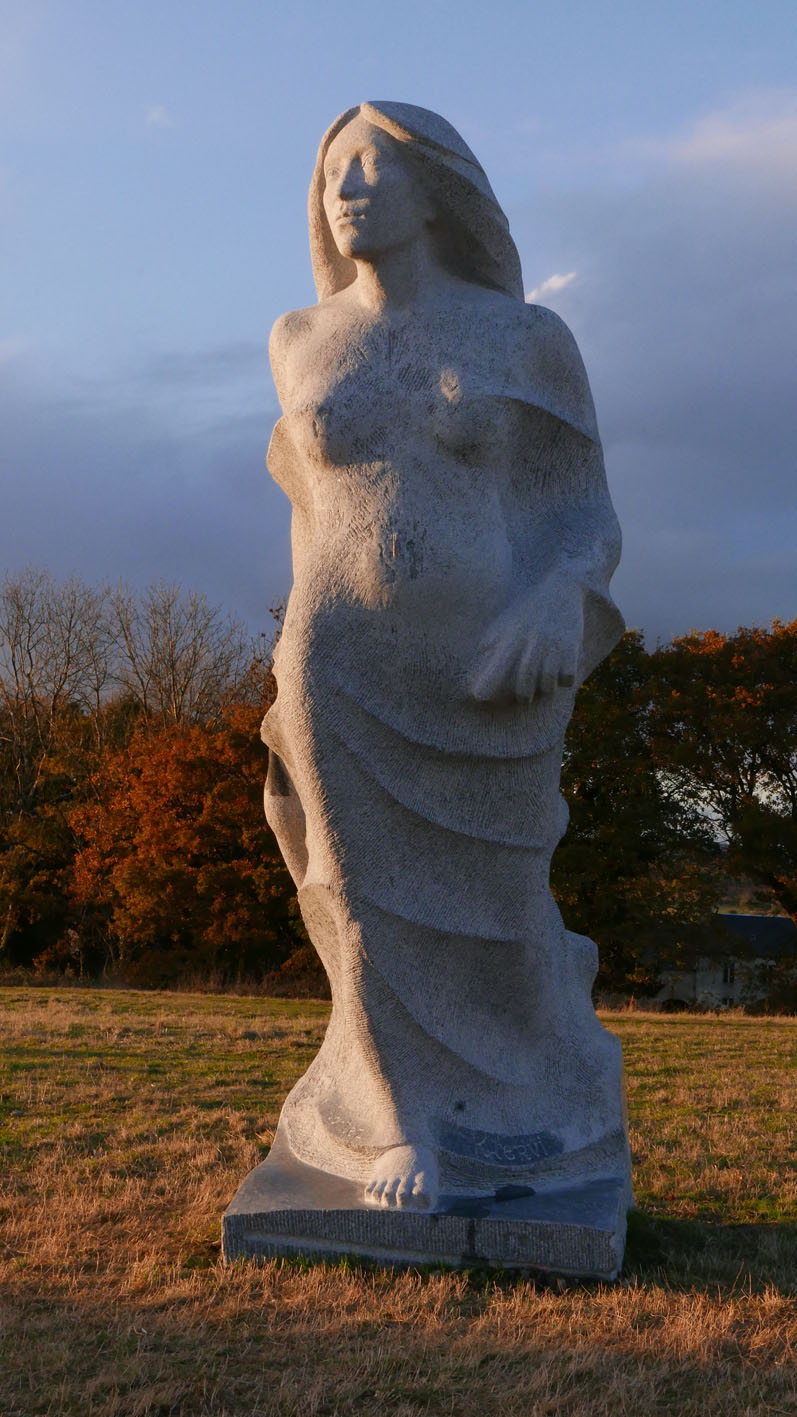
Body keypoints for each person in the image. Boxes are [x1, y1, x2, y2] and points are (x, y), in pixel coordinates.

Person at [262, 102, 628, 1212]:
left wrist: (558, 602)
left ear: (438, 189)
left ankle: (528, 1105)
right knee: (355, 886)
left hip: (488, 664)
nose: (347, 188)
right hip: (339, 655)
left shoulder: (524, 341)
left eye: (372, 165)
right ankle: (396, 1119)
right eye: (332, 172)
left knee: (502, 895)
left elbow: (584, 517)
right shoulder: (300, 339)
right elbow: (309, 508)